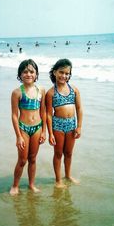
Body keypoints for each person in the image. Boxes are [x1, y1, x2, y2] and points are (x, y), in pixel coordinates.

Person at [10, 59, 46, 195]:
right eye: (25, 72)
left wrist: (44, 131)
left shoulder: (40, 90)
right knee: (22, 160)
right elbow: (14, 115)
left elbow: (43, 111)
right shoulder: (17, 93)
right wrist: (18, 136)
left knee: (32, 158)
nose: (28, 74)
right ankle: (15, 185)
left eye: (31, 71)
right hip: (23, 128)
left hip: (37, 128)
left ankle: (31, 184)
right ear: (20, 75)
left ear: (36, 74)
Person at [46, 59, 83, 188]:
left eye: (67, 73)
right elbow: (49, 114)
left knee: (69, 153)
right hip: (58, 125)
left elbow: (79, 109)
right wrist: (50, 133)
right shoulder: (51, 92)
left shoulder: (74, 89)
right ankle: (58, 180)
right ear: (55, 72)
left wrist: (79, 126)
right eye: (61, 72)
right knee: (58, 153)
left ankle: (67, 175)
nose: (64, 76)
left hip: (71, 125)